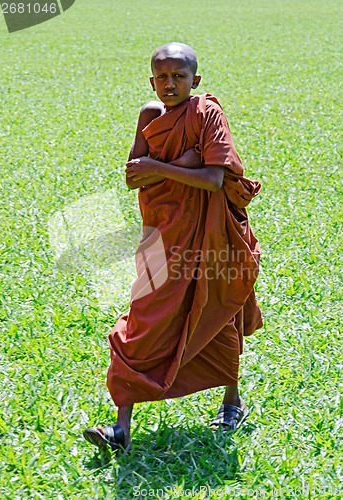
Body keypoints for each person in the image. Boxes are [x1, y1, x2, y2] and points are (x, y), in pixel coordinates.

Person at [83, 42, 263, 452]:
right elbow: (133, 177)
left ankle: (231, 403)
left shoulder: (207, 113)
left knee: (219, 307)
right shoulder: (150, 114)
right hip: (162, 234)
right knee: (145, 316)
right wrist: (182, 165)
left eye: (179, 76)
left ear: (195, 80)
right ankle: (120, 428)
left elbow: (214, 179)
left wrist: (163, 169)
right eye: (162, 77)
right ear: (151, 81)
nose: (170, 84)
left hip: (210, 232)